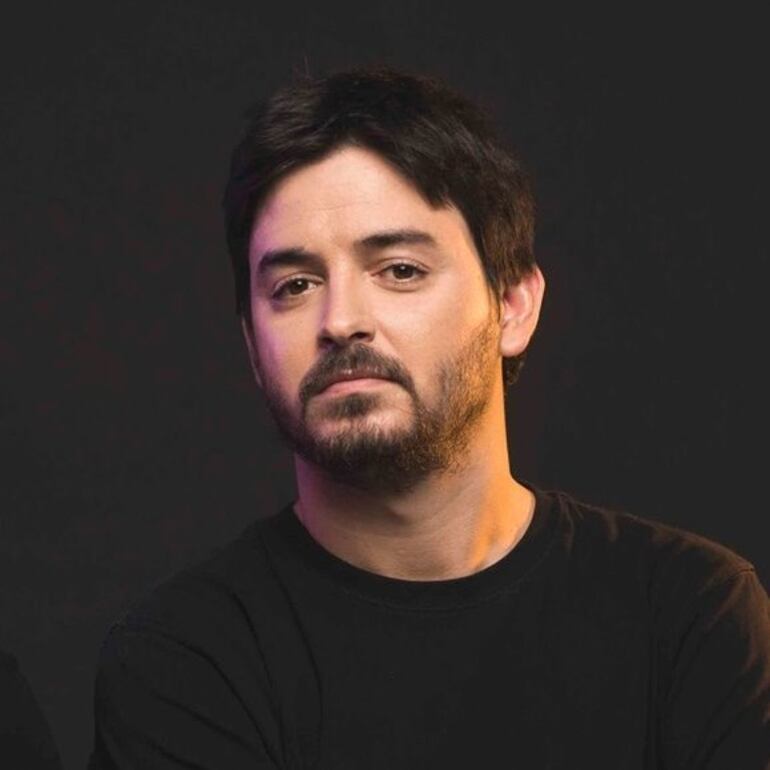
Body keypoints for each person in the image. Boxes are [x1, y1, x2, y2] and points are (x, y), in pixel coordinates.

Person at [89, 66, 770, 769]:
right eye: (295, 285)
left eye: (400, 270)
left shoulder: (692, 616)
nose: (341, 320)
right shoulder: (184, 664)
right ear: (252, 345)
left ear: (513, 305)